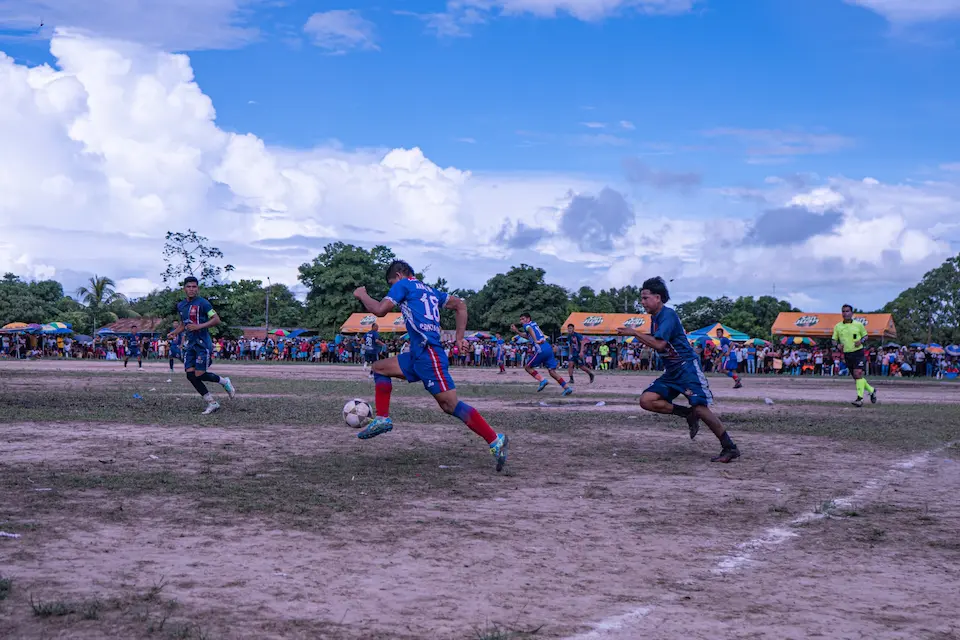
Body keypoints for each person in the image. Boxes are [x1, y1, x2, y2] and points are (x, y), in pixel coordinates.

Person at [352, 260, 509, 472]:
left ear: (398, 275)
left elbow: (380, 310)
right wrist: (459, 338)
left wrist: (362, 294)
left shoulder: (403, 284)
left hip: (429, 355)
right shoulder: (432, 291)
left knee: (450, 405)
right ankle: (382, 418)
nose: (392, 289)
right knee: (379, 367)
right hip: (418, 354)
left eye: (391, 283)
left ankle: (495, 439)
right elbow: (460, 305)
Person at [617, 277, 741, 463]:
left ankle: (730, 447)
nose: (642, 302)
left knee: (700, 407)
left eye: (645, 298)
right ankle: (686, 414)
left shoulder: (668, 315)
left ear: (657, 297)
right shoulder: (656, 318)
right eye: (641, 298)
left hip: (686, 368)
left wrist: (635, 333)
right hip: (672, 371)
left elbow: (659, 344)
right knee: (647, 400)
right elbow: (658, 340)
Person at [167, 276, 237, 414]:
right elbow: (183, 324)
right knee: (190, 375)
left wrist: (199, 326)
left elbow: (216, 319)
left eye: (194, 287)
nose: (191, 289)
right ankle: (212, 402)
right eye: (189, 286)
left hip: (203, 344)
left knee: (199, 374)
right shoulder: (181, 305)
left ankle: (224, 382)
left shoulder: (204, 303)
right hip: (190, 344)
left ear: (197, 288)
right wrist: (174, 333)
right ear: (184, 288)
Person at [511, 314, 572, 396]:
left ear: (528, 319)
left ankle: (542, 380)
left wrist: (535, 341)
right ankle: (567, 388)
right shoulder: (534, 324)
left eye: (523, 319)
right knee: (552, 371)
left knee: (527, 367)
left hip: (541, 349)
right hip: (548, 348)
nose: (521, 321)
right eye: (520, 319)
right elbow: (527, 335)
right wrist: (517, 331)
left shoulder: (527, 325)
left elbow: (530, 330)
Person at [832, 304, 877, 407]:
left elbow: (866, 336)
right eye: (843, 311)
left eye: (847, 311)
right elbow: (834, 340)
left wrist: (861, 341)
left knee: (858, 374)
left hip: (858, 352)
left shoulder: (858, 325)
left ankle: (859, 399)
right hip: (847, 354)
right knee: (857, 378)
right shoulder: (838, 326)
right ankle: (872, 390)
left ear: (852, 313)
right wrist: (837, 345)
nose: (845, 313)